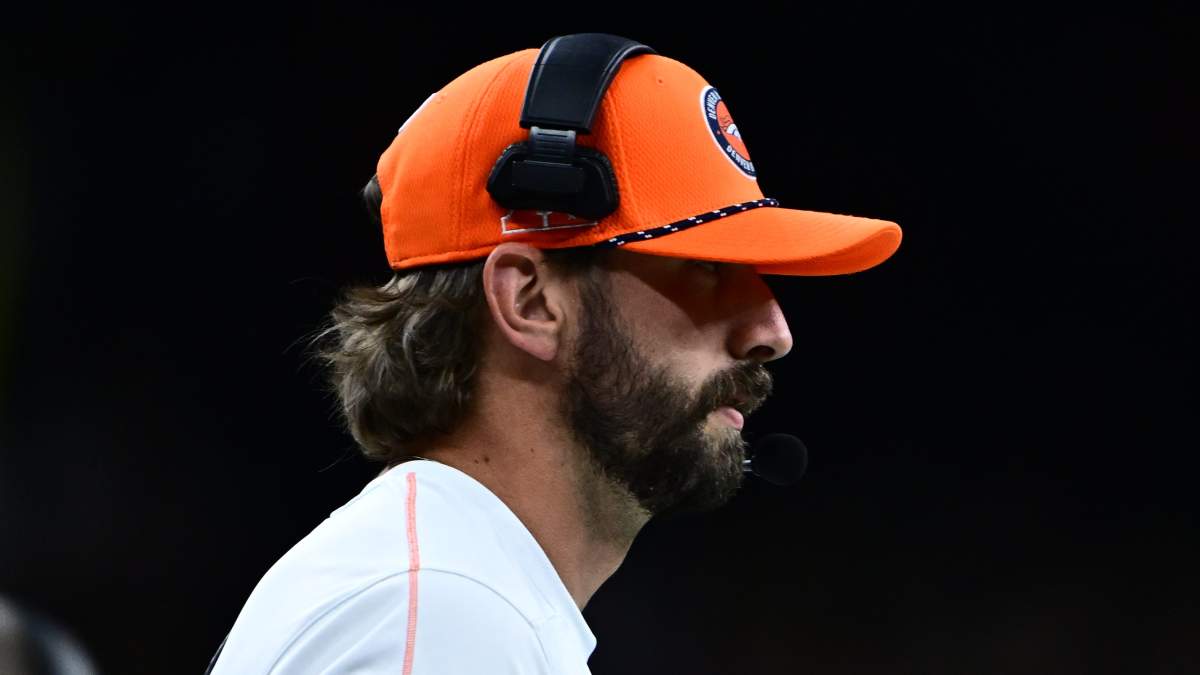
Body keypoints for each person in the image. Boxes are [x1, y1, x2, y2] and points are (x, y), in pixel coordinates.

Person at [205, 33, 901, 674]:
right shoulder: (443, 613)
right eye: (705, 267)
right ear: (530, 302)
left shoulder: (455, 590)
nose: (772, 330)